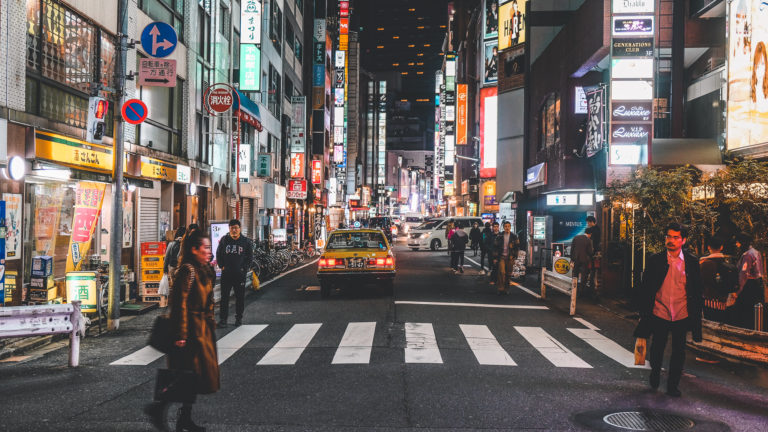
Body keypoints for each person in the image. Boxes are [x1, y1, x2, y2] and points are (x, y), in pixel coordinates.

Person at [145, 228, 219, 431]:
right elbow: (180, 304)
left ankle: (184, 417)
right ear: (194, 249)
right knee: (185, 374)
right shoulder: (188, 270)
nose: (209, 251)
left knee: (192, 376)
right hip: (190, 331)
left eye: (209, 248)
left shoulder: (202, 268)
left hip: (201, 330)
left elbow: (209, 299)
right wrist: (181, 334)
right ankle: (159, 408)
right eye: (205, 248)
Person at [633, 223, 703, 397]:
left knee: (679, 351)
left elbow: (696, 289)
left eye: (675, 237)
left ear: (683, 240)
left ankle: (673, 385)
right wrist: (643, 311)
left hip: (682, 312)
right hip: (660, 311)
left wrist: (696, 313)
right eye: (668, 236)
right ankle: (655, 372)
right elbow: (645, 287)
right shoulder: (655, 260)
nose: (670, 240)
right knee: (657, 347)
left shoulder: (692, 262)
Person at [215, 219, 254, 328]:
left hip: (239, 275)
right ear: (229, 229)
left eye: (236, 228)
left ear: (240, 229)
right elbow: (218, 254)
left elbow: (250, 257)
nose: (234, 230)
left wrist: (244, 269)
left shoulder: (245, 241)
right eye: (232, 228)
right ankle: (223, 320)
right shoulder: (224, 240)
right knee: (224, 298)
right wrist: (222, 266)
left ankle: (239, 319)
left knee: (239, 297)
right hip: (226, 274)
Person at [699, 237, 737, 322]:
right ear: (721, 247)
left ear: (708, 247)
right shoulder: (728, 264)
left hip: (708, 302)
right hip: (724, 302)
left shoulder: (703, 264)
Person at [732, 233, 765, 329]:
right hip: (758, 283)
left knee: (746, 311)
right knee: (756, 312)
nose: (736, 245)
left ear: (742, 243)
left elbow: (743, 275)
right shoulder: (756, 252)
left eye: (737, 242)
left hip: (748, 286)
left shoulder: (747, 255)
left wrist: (737, 292)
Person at [494, 221, 519, 294]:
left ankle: (506, 288)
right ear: (504, 227)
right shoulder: (500, 236)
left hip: (510, 257)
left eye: (508, 226)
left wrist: (514, 257)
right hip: (501, 257)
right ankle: (500, 288)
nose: (507, 228)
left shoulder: (514, 236)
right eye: (506, 226)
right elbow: (495, 247)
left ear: (510, 227)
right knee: (501, 272)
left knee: (508, 274)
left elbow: (517, 247)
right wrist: (495, 258)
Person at [570, 229, 593, 297]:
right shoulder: (588, 240)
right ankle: (581, 292)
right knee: (584, 276)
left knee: (575, 275)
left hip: (576, 259)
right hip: (584, 260)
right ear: (590, 234)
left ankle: (574, 290)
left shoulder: (576, 238)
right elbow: (590, 252)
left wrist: (572, 259)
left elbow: (572, 249)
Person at [586, 215, 601, 293]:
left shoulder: (593, 230)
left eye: (588, 222)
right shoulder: (597, 229)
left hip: (593, 253)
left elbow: (594, 242)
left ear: (592, 222)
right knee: (593, 270)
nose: (587, 224)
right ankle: (593, 285)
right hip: (595, 252)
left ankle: (593, 286)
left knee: (592, 269)